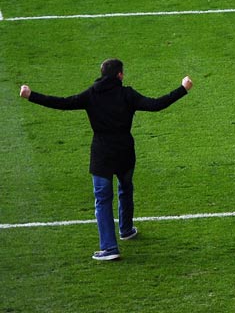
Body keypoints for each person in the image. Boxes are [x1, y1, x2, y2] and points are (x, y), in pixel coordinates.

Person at [20, 60, 192, 261]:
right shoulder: (127, 94)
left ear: (102, 74)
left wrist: (31, 95)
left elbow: (63, 103)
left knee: (103, 199)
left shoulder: (91, 94)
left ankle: (110, 247)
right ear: (119, 75)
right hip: (125, 152)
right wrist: (183, 88)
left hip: (102, 154)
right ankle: (126, 229)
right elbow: (155, 105)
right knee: (125, 188)